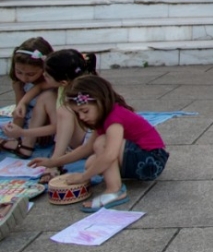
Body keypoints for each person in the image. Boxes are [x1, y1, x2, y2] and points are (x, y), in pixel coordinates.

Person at [55, 74, 169, 212]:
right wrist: (53, 162)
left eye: (85, 111)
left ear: (100, 102)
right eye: (78, 114)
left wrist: (83, 176)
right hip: (144, 160)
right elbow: (86, 149)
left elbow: (109, 154)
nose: (82, 117)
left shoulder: (114, 117)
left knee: (102, 143)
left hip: (152, 160)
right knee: (91, 163)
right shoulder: (104, 116)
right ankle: (114, 184)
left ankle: (114, 191)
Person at [27, 50, 100, 184]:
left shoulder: (81, 91)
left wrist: (22, 132)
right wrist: (22, 103)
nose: (43, 76)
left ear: (63, 82)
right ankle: (27, 144)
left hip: (91, 140)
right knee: (46, 97)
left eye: (47, 75)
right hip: (80, 137)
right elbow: (39, 87)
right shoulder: (68, 83)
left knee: (65, 110)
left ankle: (55, 162)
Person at [0, 38, 53, 158]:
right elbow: (20, 110)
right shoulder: (20, 83)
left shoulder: (51, 83)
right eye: (19, 72)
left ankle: (23, 144)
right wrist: (15, 134)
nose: (24, 78)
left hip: (47, 128)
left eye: (30, 74)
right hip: (28, 124)